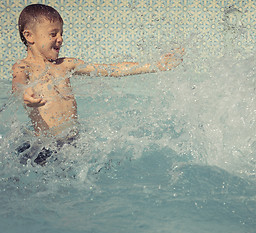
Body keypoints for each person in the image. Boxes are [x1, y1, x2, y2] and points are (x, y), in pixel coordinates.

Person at [12, 4, 183, 166]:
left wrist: (154, 66)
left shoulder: (66, 65)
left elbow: (112, 69)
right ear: (29, 36)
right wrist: (25, 94)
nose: (60, 39)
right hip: (46, 146)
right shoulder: (24, 67)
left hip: (73, 143)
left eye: (61, 33)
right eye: (53, 34)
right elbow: (18, 83)